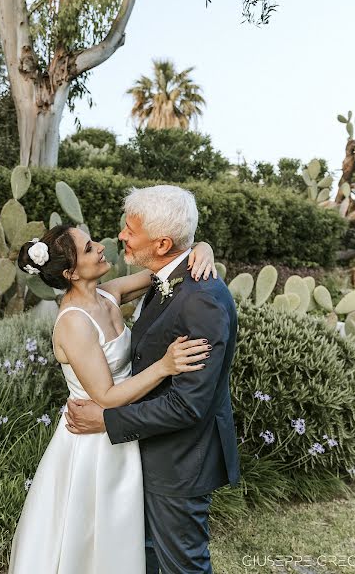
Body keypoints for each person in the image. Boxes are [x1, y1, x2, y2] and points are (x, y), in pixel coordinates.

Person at [8, 223, 216, 574]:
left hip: (124, 428)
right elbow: (105, 396)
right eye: (89, 248)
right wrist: (164, 366)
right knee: (95, 534)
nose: (101, 247)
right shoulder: (74, 322)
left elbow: (161, 273)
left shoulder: (107, 295)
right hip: (94, 443)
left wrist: (203, 247)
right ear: (71, 272)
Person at [66, 185, 240, 574]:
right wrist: (202, 245)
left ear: (162, 243)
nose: (120, 237)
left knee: (182, 566)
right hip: (148, 453)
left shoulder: (202, 299)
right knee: (145, 559)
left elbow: (188, 404)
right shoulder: (167, 276)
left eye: (130, 230)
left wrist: (105, 420)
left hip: (180, 462)